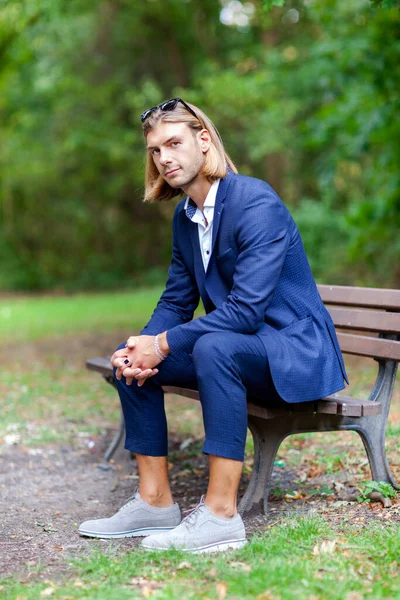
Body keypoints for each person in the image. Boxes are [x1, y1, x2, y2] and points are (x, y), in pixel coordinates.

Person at [78, 97, 348, 553]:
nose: (165, 158)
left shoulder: (256, 203)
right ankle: (155, 502)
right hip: (247, 348)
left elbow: (245, 311)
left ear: (204, 141)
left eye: (174, 143)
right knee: (129, 358)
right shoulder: (186, 220)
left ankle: (222, 516)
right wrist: (144, 344)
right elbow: (176, 301)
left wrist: (163, 344)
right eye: (155, 151)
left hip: (295, 353)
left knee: (213, 348)